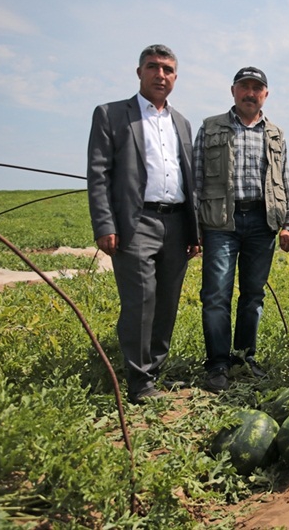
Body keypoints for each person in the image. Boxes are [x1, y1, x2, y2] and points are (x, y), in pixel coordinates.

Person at [87, 44, 200, 404]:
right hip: (136, 221)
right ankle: (138, 381)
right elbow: (98, 173)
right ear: (139, 73)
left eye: (167, 70)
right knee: (140, 300)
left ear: (175, 78)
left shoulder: (181, 122)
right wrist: (105, 224)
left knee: (166, 301)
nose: (160, 75)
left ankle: (155, 370)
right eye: (153, 67)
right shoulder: (111, 115)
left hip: (177, 221)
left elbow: (189, 177)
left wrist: (195, 231)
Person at [194, 66, 289, 392]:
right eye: (244, 87)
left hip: (261, 222)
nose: (250, 93)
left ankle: (244, 357)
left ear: (265, 94)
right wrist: (193, 228)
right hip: (220, 222)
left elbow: (284, 180)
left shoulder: (275, 134)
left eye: (257, 88)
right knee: (216, 295)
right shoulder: (211, 128)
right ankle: (217, 364)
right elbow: (196, 179)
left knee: (253, 295)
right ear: (233, 90)